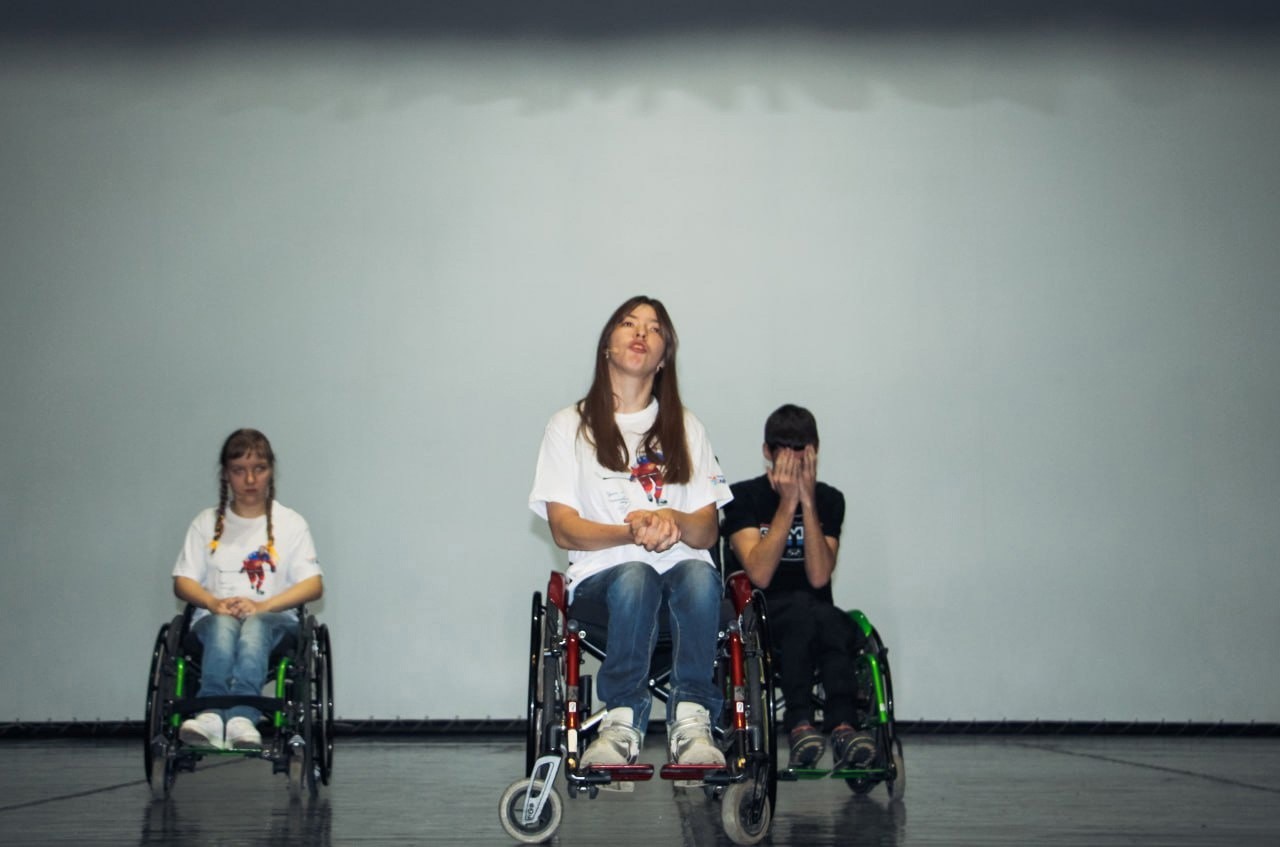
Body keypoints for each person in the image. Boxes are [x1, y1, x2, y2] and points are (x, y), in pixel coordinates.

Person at [529, 295, 732, 771]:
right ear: (607, 345)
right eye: (629, 323)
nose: (641, 333)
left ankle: (692, 720)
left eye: (654, 328)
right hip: (605, 581)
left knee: (700, 576)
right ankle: (621, 721)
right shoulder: (568, 426)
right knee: (637, 574)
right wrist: (632, 531)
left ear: (663, 358)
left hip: (684, 582)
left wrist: (673, 521)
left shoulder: (687, 427)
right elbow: (564, 529)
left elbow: (707, 531)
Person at [721, 404, 875, 770]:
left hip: (817, 612)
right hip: (763, 614)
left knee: (833, 622)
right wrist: (788, 504)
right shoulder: (742, 497)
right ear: (767, 452)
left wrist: (807, 502)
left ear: (815, 452)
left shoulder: (830, 500)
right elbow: (759, 574)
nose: (795, 461)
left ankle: (844, 726)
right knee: (803, 616)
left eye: (802, 451)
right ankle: (800, 722)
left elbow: (820, 576)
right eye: (785, 451)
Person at [171, 428, 324, 750]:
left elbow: (313, 584)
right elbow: (183, 580)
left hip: (274, 619)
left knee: (255, 626)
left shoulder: (291, 523)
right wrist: (212, 602)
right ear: (226, 474)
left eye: (259, 469)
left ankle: (243, 715)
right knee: (223, 625)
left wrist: (263, 606)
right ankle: (210, 713)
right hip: (214, 617)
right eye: (239, 470)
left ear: (271, 471)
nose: (250, 479)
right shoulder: (205, 522)